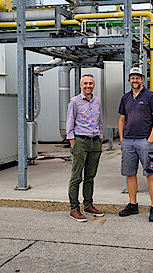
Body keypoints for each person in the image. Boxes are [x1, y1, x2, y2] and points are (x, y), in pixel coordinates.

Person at [118, 67, 153, 222]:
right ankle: (132, 204)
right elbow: (122, 119)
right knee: (130, 173)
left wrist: (150, 140)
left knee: (150, 173)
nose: (135, 81)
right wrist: (122, 139)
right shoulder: (125, 98)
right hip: (128, 141)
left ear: (142, 79)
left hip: (145, 140)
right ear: (129, 80)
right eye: (132, 78)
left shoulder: (151, 96)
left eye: (137, 78)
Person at [66, 74, 104, 222]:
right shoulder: (74, 102)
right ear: (81, 85)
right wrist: (72, 143)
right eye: (85, 83)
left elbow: (99, 121)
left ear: (93, 85)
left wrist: (100, 138)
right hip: (80, 142)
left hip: (95, 143)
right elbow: (69, 123)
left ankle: (88, 204)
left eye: (90, 83)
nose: (88, 86)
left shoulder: (97, 102)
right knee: (76, 176)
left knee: (90, 176)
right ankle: (74, 208)